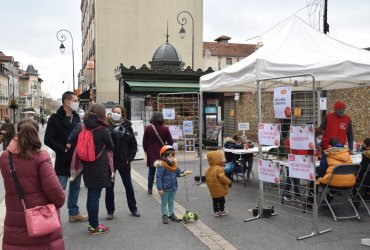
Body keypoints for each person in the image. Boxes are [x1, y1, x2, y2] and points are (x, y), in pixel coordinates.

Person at [0, 118, 65, 249]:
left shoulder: (5, 157)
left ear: (18, 133)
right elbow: (57, 195)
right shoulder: (40, 157)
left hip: (15, 220)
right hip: (40, 220)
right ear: (36, 133)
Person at [44, 91, 88, 222]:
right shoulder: (55, 118)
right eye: (75, 100)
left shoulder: (77, 118)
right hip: (63, 160)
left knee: (75, 188)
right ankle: (50, 215)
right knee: (58, 190)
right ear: (66, 102)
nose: (77, 103)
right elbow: (48, 139)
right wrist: (62, 149)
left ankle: (73, 213)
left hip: (77, 159)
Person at [77, 104, 114, 234]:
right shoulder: (103, 130)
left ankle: (92, 223)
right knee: (95, 196)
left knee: (91, 194)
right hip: (100, 167)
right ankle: (94, 225)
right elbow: (111, 147)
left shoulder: (84, 128)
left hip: (87, 165)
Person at [105, 105, 140, 219]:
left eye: (118, 112)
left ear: (123, 114)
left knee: (128, 186)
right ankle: (110, 211)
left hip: (124, 162)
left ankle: (133, 208)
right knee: (110, 187)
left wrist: (128, 159)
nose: (116, 113)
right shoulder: (107, 126)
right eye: (114, 111)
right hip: (111, 163)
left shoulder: (128, 127)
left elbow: (133, 146)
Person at [155, 145, 189, 224]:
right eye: (169, 156)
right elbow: (159, 178)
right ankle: (164, 215)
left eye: (172, 156)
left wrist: (184, 172)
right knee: (164, 203)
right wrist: (160, 189)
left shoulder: (174, 165)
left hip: (173, 187)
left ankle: (172, 214)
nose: (172, 158)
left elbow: (178, 173)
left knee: (171, 202)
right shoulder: (162, 166)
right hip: (165, 188)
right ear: (164, 157)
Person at [143, 111, 173, 194]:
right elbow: (170, 142)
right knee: (162, 172)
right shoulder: (165, 129)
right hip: (162, 153)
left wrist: (147, 150)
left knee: (151, 172)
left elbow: (144, 142)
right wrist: (166, 148)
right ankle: (163, 188)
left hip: (151, 153)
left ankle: (150, 189)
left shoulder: (148, 128)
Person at [317, 137, 354, 203]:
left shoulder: (328, 155)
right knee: (336, 177)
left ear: (330, 146)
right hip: (350, 182)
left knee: (316, 179)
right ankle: (329, 198)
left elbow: (321, 170)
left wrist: (320, 176)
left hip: (334, 182)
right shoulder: (347, 154)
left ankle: (310, 200)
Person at [205, 150, 231, 217]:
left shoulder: (208, 169)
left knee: (215, 200)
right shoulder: (219, 168)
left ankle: (216, 211)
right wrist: (229, 182)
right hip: (220, 188)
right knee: (221, 200)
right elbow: (222, 177)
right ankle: (222, 211)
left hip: (212, 188)